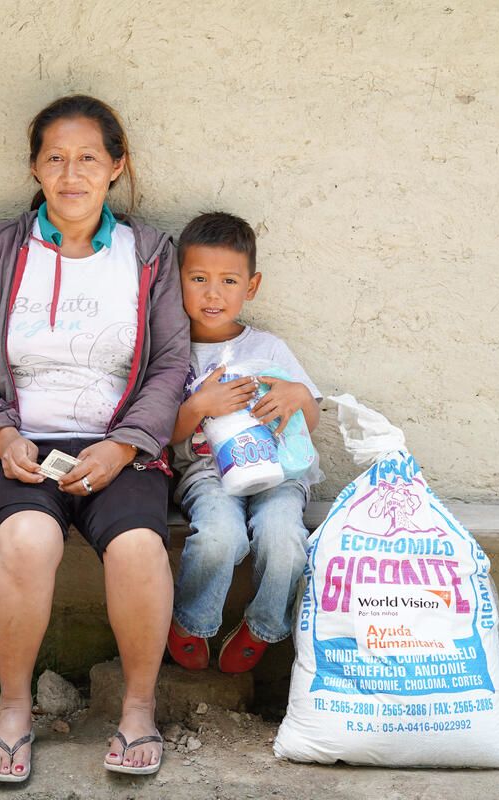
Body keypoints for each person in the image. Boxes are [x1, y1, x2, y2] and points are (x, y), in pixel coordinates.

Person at [0, 95, 189, 782]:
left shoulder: (148, 253)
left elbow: (172, 363)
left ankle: (139, 710)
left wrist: (129, 443)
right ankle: (16, 710)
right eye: (55, 157)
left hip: (121, 448)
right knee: (26, 539)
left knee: (141, 546)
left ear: (116, 166)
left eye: (88, 157)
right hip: (22, 445)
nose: (71, 172)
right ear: (34, 167)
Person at [166, 211, 323, 674]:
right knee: (219, 536)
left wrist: (297, 396)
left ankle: (264, 624)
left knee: (285, 539)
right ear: (178, 282)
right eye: (198, 278)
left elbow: (308, 416)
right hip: (207, 472)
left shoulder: (268, 348)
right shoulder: (170, 352)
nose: (213, 294)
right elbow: (163, 433)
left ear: (250, 287)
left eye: (228, 281)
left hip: (279, 470)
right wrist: (197, 407)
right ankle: (191, 621)